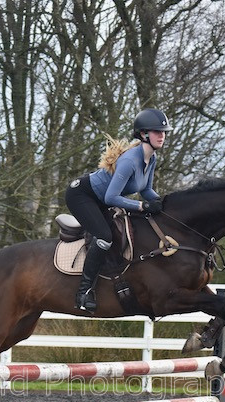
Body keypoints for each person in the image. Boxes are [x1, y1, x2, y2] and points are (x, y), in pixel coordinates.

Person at [65, 108, 172, 312]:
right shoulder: (129, 161)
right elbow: (111, 197)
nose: (162, 135)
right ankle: (83, 292)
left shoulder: (151, 159)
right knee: (104, 236)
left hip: (99, 199)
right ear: (143, 134)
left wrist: (162, 204)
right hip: (82, 196)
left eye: (164, 131)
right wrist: (142, 206)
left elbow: (146, 189)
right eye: (157, 131)